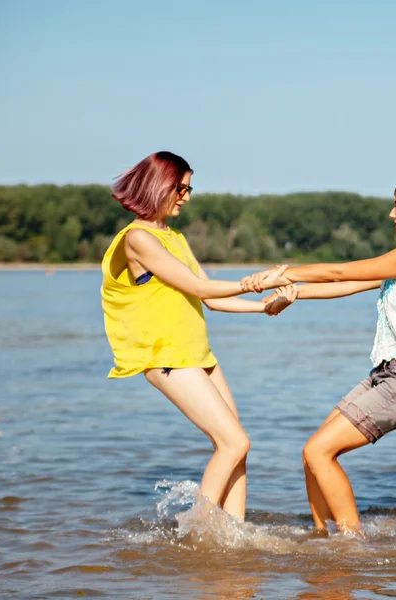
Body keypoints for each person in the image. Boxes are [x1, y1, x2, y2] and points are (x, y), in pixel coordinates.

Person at [244, 174, 396, 533]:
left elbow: (341, 269)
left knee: (318, 452)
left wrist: (279, 274)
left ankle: (350, 545)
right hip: (387, 376)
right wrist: (293, 293)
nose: (391, 214)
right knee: (312, 454)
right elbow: (348, 283)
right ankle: (322, 538)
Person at [100, 151, 296, 522]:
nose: (187, 197)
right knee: (233, 442)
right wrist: (253, 283)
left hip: (199, 355)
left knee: (237, 446)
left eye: (190, 189)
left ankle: (236, 534)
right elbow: (199, 288)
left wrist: (264, 307)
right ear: (159, 186)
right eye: (181, 188)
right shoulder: (138, 240)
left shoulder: (174, 238)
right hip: (168, 358)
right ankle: (197, 535)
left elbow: (209, 295)